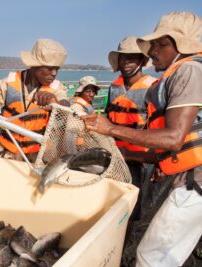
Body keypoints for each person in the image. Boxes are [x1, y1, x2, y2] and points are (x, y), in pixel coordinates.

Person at [82, 11, 202, 267]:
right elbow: (169, 148)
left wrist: (111, 129)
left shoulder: (189, 70)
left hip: (195, 183)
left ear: (182, 46)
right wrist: (126, 154)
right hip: (183, 177)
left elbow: (173, 139)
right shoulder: (174, 75)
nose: (153, 51)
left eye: (162, 44)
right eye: (153, 44)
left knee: (151, 257)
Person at [0, 39, 69, 162]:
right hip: (7, 152)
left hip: (37, 156)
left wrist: (54, 102)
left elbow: (65, 106)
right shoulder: (9, 83)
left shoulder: (56, 88)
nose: (54, 73)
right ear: (34, 65)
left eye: (57, 69)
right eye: (49, 68)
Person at [106, 36, 157, 221]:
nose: (126, 62)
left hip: (140, 160)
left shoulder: (153, 87)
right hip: (114, 155)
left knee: (134, 206)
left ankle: (128, 239)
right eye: (123, 58)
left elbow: (159, 128)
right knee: (111, 200)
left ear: (142, 60)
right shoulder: (114, 87)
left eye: (132, 57)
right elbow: (108, 116)